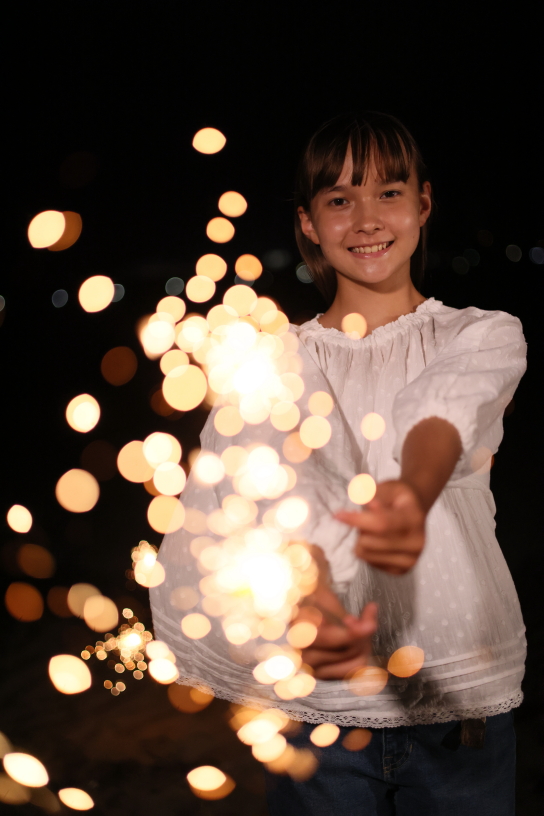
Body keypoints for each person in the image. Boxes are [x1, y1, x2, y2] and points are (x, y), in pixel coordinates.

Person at [150, 112, 527, 815]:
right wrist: (316, 603)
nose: (365, 218)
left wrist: (411, 497)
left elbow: (440, 410)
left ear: (424, 203)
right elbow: (277, 477)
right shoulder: (275, 357)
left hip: (458, 707)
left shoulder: (482, 334)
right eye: (338, 199)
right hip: (318, 718)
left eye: (388, 192)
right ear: (308, 223)